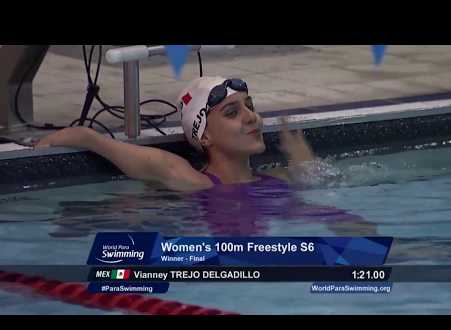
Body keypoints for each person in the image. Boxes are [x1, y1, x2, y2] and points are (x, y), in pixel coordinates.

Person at [38, 76, 377, 235]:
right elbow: (103, 144)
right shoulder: (193, 180)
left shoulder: (279, 177)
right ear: (204, 135)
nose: (251, 118)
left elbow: (339, 202)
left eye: (250, 107)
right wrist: (72, 138)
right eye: (232, 112)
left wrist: (307, 165)